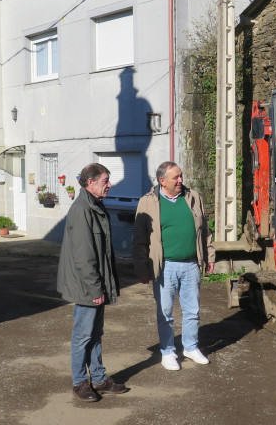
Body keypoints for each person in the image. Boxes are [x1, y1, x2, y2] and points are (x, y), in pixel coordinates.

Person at [132, 161, 216, 371]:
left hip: (190, 264)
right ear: (162, 181)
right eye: (175, 178)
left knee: (192, 311)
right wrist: (142, 269)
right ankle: (168, 352)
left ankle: (190, 347)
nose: (180, 180)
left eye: (181, 176)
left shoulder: (193, 197)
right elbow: (139, 239)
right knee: (165, 313)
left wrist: (210, 256)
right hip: (165, 267)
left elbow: (205, 230)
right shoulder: (148, 202)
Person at [57, 163, 129, 402]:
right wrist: (95, 288)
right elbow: (84, 256)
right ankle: (79, 383)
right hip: (87, 286)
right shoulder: (82, 209)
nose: (109, 185)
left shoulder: (95, 204)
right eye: (105, 181)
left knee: (95, 333)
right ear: (91, 182)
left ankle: (98, 378)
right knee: (83, 336)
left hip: (94, 285)